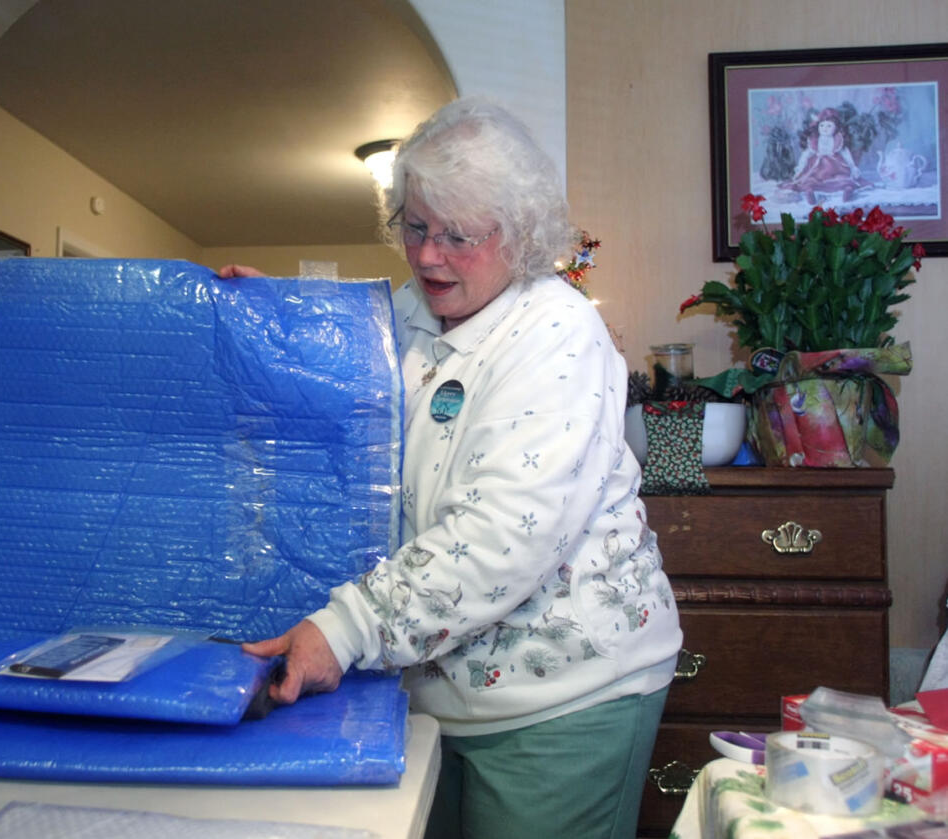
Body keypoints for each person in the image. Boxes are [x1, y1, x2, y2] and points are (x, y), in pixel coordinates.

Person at [220, 96, 683, 839]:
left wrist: (344, 629)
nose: (430, 255)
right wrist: (272, 320)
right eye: (415, 226)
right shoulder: (412, 312)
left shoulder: (559, 332)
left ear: (521, 235)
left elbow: (503, 534)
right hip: (433, 689)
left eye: (459, 236)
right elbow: (342, 377)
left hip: (567, 691)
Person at [780, 107, 865, 204]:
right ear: (817, 126)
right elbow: (806, 155)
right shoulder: (814, 140)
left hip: (835, 167)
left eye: (829, 126)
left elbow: (845, 153)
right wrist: (800, 168)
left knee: (842, 178)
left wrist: (853, 167)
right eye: (822, 125)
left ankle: (847, 189)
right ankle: (809, 191)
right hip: (817, 168)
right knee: (810, 179)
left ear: (836, 127)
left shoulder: (838, 139)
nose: (824, 128)